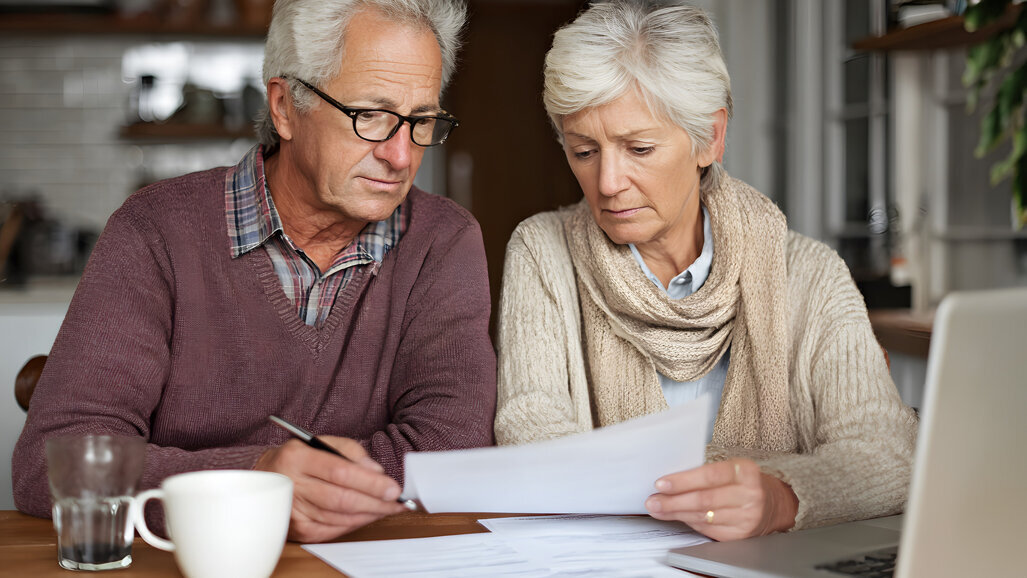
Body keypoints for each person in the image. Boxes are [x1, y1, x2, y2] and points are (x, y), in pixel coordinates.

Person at [13, 0, 496, 543]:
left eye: (421, 121)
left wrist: (296, 486)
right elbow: (50, 463)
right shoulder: (155, 231)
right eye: (372, 116)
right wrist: (257, 481)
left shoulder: (442, 240)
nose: (403, 156)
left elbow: (453, 451)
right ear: (286, 106)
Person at [495, 0, 917, 542]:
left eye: (639, 148)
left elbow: (886, 456)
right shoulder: (542, 251)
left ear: (709, 139)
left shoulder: (808, 273)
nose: (607, 182)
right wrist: (724, 472)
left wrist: (779, 496)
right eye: (583, 151)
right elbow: (531, 438)